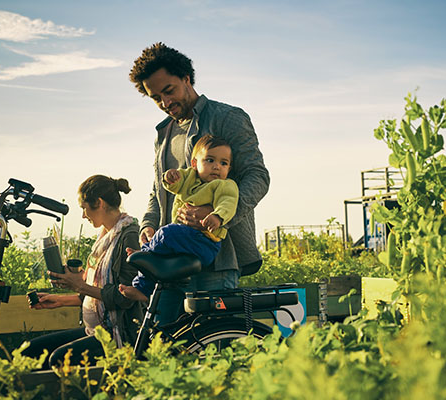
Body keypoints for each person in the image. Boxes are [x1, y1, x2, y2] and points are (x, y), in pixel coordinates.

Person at [128, 43, 270, 324]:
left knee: (214, 346)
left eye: (169, 91)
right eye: (156, 97)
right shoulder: (163, 133)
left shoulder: (228, 118)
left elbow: (258, 175)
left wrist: (218, 216)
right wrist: (148, 224)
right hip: (171, 264)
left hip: (215, 262)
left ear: (186, 79)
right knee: (165, 342)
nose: (165, 103)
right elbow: (158, 190)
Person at [23, 175, 144, 368]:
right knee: (29, 351)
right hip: (94, 329)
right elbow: (95, 295)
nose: (83, 215)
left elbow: (125, 297)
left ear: (99, 203)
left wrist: (79, 285)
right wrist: (59, 301)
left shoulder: (128, 237)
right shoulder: (105, 238)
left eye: (84, 208)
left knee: (59, 359)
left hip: (117, 333)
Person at [120, 134, 238, 302]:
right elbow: (174, 184)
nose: (217, 167)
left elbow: (228, 202)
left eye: (223, 163)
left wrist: (218, 216)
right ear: (195, 164)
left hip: (205, 243)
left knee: (166, 234)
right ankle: (143, 284)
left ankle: (145, 254)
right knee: (161, 254)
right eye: (210, 160)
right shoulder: (190, 178)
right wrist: (170, 177)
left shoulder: (224, 185)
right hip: (185, 243)